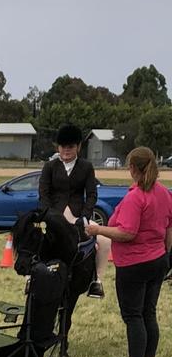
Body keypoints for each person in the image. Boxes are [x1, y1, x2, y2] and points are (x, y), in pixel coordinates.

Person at [84, 147, 172, 357]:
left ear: (133, 168)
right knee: (148, 313)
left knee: (133, 315)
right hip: (158, 259)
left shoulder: (136, 197)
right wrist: (166, 254)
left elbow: (127, 233)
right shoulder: (163, 193)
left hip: (134, 264)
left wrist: (97, 229)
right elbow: (169, 228)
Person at [39, 124, 108, 298]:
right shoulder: (50, 167)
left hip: (78, 216)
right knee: (36, 238)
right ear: (58, 147)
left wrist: (84, 216)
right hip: (54, 215)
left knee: (105, 240)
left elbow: (91, 194)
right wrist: (49, 214)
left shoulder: (86, 167)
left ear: (78, 147)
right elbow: (43, 193)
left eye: (70, 147)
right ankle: (32, 278)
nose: (67, 150)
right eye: (63, 147)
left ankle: (97, 282)